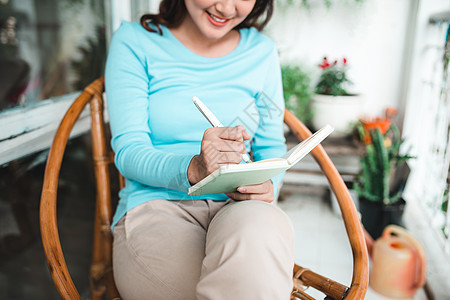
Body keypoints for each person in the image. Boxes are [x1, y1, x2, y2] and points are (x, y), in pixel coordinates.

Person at [105, 0, 295, 299]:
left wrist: (267, 185)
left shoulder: (262, 51)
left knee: (261, 227)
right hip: (157, 208)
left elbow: (271, 146)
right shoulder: (135, 41)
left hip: (240, 206)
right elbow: (129, 151)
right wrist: (194, 168)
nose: (226, 7)